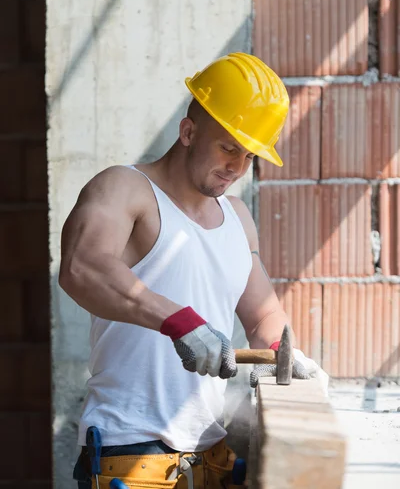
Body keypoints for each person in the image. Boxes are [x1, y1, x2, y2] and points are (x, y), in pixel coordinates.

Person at [59, 53, 328, 489]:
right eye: (228, 147)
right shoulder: (126, 188)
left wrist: (284, 352)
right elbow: (81, 267)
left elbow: (262, 316)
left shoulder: (237, 216)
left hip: (208, 456)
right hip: (128, 454)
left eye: (249, 156)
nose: (236, 168)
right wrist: (181, 323)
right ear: (188, 131)